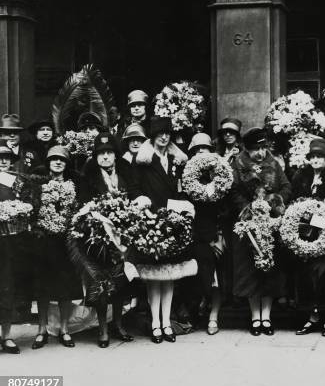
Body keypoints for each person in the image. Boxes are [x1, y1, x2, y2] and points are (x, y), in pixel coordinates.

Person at [132, 116, 195, 344]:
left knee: (169, 275)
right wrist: (144, 206)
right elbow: (135, 188)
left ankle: (167, 323)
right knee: (154, 277)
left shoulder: (177, 159)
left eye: (167, 133)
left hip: (172, 221)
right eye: (159, 133)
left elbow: (182, 188)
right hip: (152, 221)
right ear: (153, 135)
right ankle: (155, 324)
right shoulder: (143, 160)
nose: (164, 137)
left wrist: (182, 206)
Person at [78, 132, 138, 347]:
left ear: (115, 155)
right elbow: (84, 205)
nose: (105, 157)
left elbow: (133, 198)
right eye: (100, 153)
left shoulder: (125, 175)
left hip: (122, 237)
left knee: (121, 281)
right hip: (100, 238)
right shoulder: (89, 178)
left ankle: (118, 324)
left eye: (109, 153)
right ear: (95, 158)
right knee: (102, 282)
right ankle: (103, 328)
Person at [230, 127, 291, 336]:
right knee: (250, 272)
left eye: (263, 147)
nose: (261, 153)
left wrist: (274, 203)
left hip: (270, 224)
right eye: (256, 149)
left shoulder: (273, 163)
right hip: (248, 226)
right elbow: (234, 191)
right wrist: (249, 209)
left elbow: (285, 187)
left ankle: (267, 316)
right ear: (247, 149)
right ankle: (255, 317)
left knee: (270, 271)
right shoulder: (237, 164)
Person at [291, 139, 325, 337]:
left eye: (319, 156)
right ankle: (313, 316)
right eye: (312, 156)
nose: (315, 160)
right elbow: (293, 199)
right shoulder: (301, 175)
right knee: (308, 274)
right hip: (306, 231)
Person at [30, 146, 82, 349]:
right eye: (54, 159)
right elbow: (32, 211)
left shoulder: (72, 185)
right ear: (48, 163)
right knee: (42, 287)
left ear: (66, 164)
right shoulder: (38, 185)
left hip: (65, 242)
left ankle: (64, 329)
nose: (58, 162)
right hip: (43, 241)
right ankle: (42, 329)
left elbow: (78, 211)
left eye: (62, 160)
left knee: (64, 288)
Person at [182, 133, 224, 334]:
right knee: (198, 275)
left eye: (204, 148)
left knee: (217, 277)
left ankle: (214, 316)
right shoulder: (187, 176)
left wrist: (220, 234)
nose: (200, 152)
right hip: (194, 232)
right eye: (196, 149)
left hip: (215, 232)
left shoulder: (220, 175)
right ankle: (197, 311)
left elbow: (225, 208)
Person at [0, 139, 28, 354]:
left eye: (7, 159)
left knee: (7, 285)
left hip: (10, 239)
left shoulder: (18, 182)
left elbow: (27, 204)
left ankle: (7, 335)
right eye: (0, 158)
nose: (3, 162)